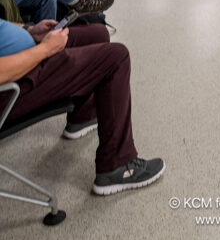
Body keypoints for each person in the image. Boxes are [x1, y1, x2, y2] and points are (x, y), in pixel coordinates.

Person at [0, 19, 165, 195]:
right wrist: (45, 50)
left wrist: (30, 30)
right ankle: (117, 166)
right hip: (13, 84)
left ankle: (83, 115)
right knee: (117, 57)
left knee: (97, 34)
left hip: (22, 57)